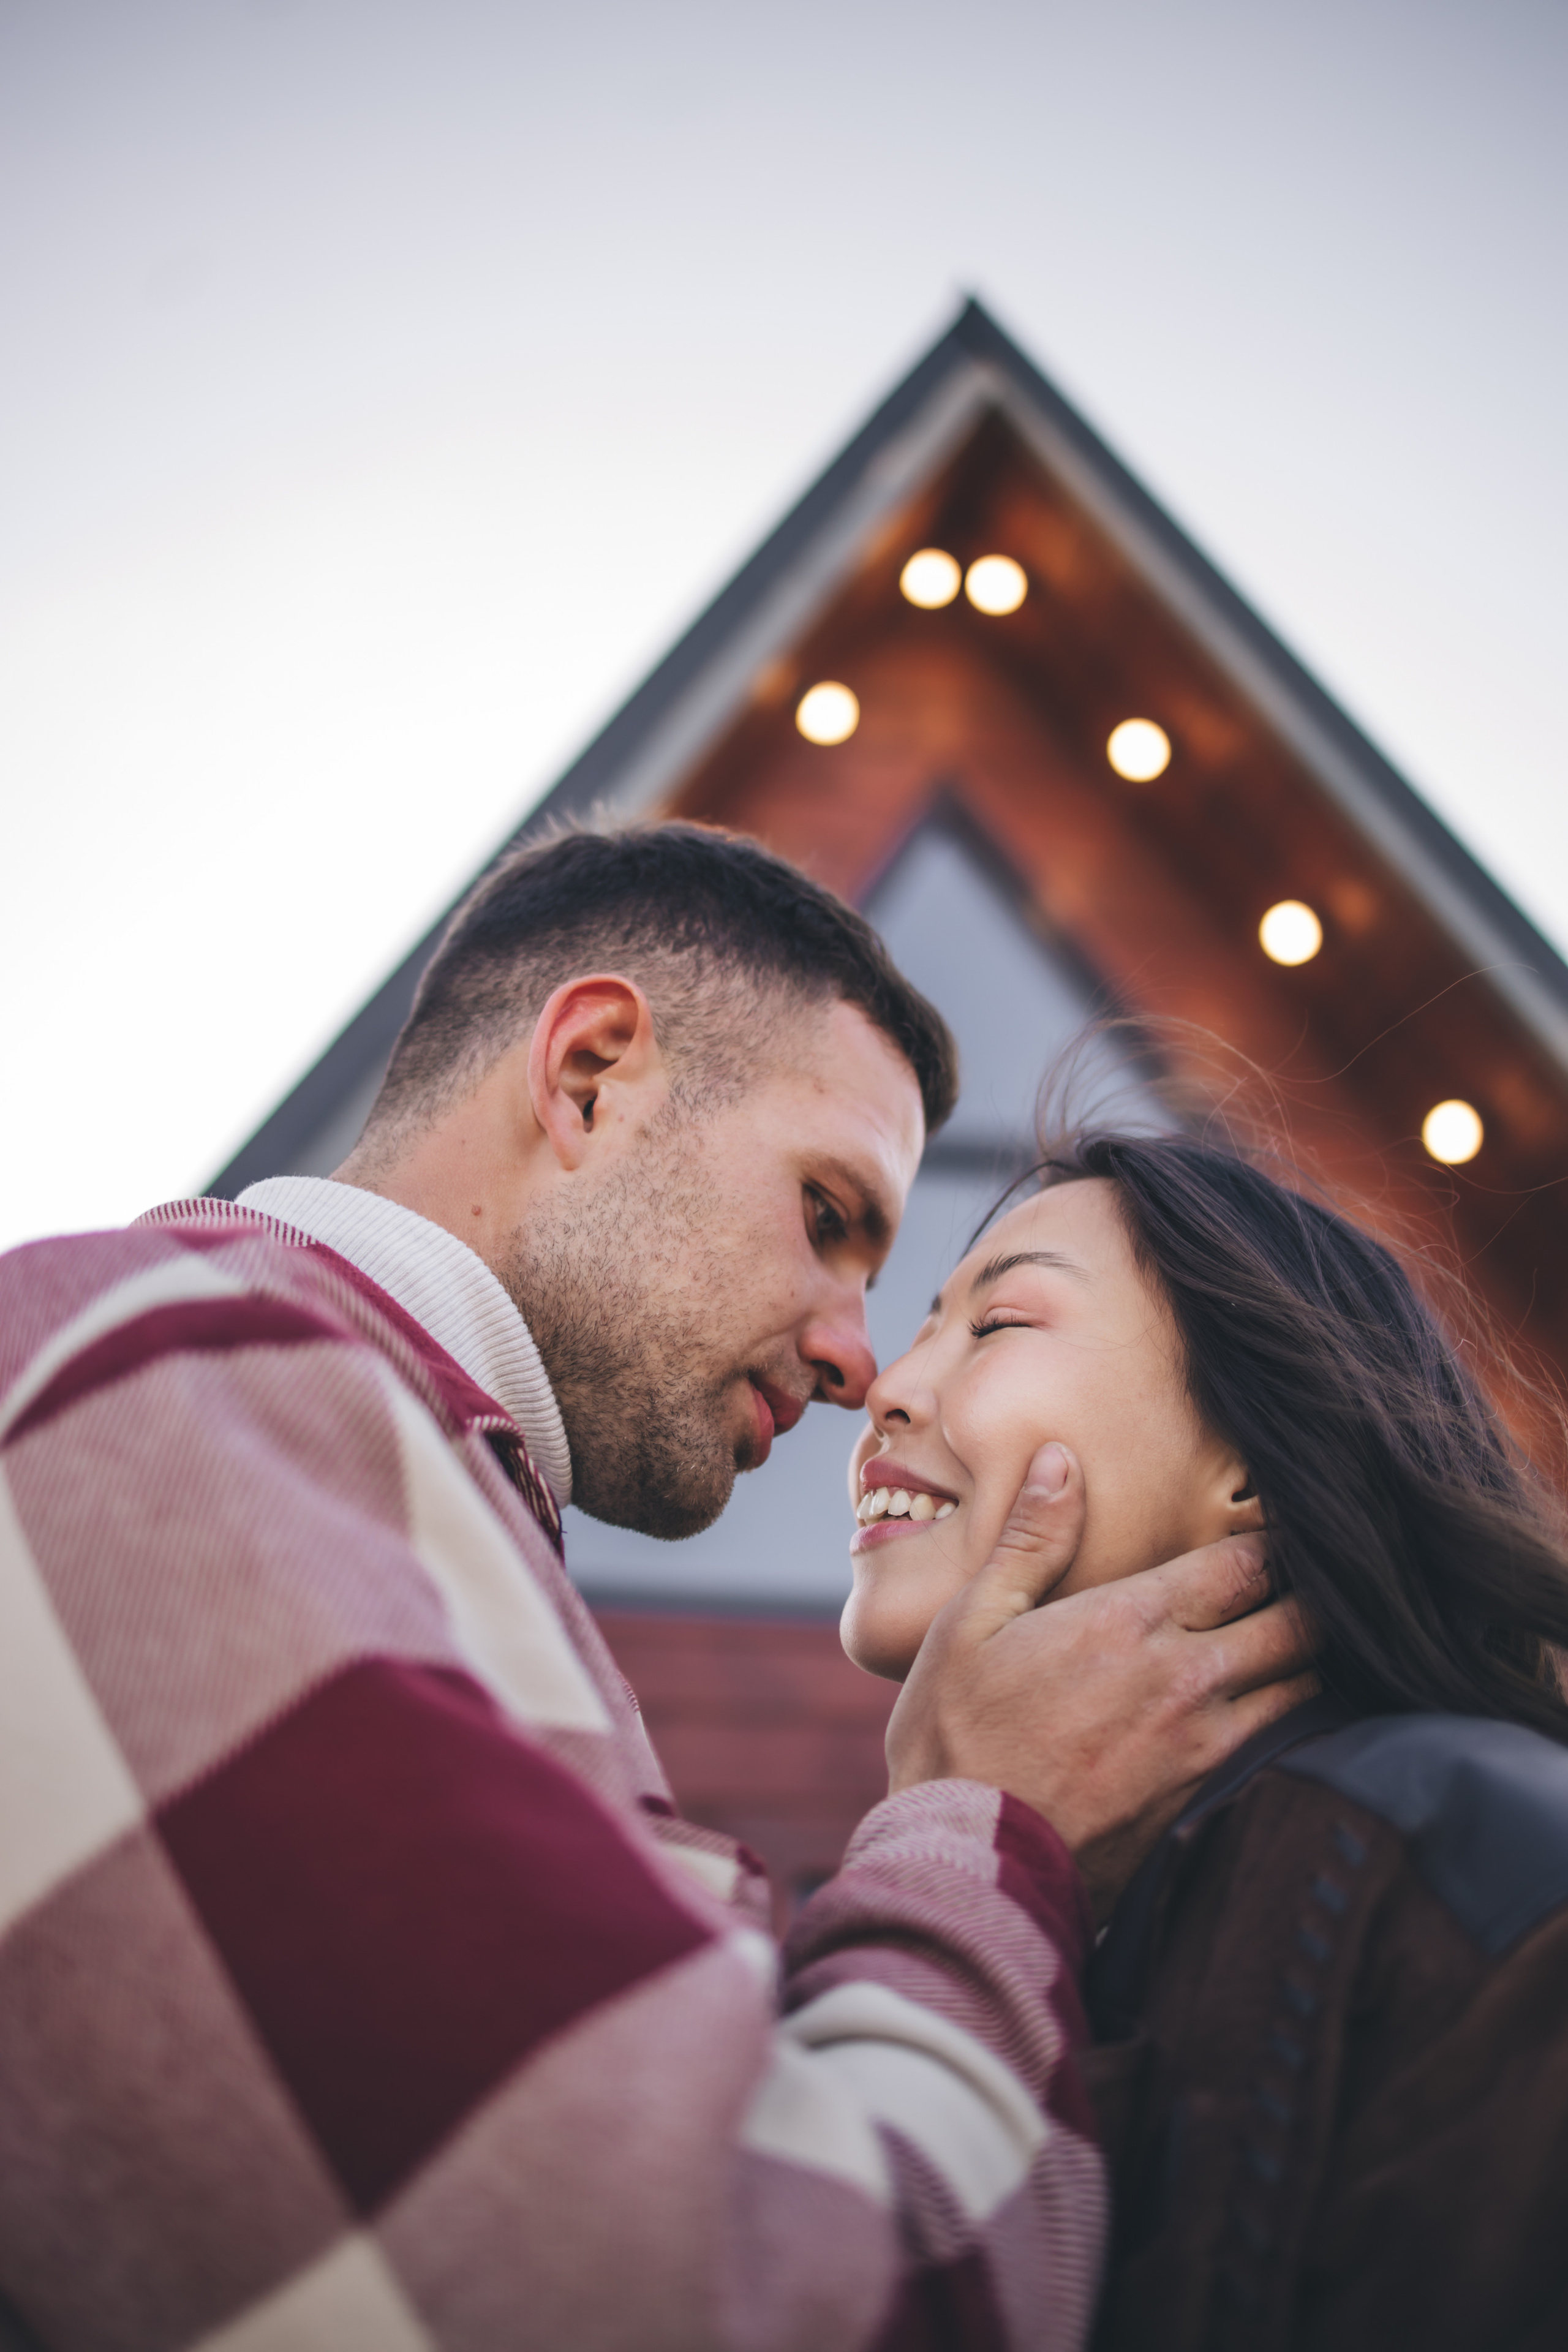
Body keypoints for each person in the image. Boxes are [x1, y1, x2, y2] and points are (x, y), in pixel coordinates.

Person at [0, 823, 1310, 2352]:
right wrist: (977, 1824)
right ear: (590, 1074)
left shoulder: (378, 1494)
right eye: (826, 1217)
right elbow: (709, 2308)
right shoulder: (164, 1387)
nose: (857, 1361)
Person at [844, 1121, 1568, 2352]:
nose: (886, 1384)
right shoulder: (1073, 1897)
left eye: (996, 1324)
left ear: (1244, 1459)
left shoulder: (1464, 1866)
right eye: (919, 1325)